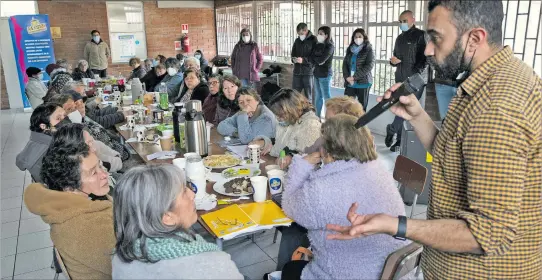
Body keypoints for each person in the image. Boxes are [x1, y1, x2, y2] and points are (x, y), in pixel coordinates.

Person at [327, 1, 542, 279]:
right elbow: (450, 156)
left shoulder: (496, 106)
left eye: (436, 38)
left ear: (475, 38)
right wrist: (416, 115)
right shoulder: (495, 80)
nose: (428, 50)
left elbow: (487, 234)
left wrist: (395, 225)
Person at [281, 114, 407, 279]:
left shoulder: (321, 189)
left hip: (347, 274)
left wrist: (303, 163)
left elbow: (289, 204)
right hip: (390, 270)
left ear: (326, 149)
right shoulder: (377, 169)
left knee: (290, 269)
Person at [111, 165, 243, 279]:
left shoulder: (121, 257)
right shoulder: (213, 265)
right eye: (184, 193)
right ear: (167, 217)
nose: (192, 194)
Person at [24, 124, 114, 279]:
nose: (104, 175)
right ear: (70, 185)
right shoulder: (90, 225)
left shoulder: (63, 206)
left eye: (100, 166)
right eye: (93, 172)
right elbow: (133, 268)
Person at [385, 10, 428, 151]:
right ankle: (398, 142)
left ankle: (391, 130)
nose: (402, 23)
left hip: (415, 80)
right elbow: (395, 57)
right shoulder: (399, 38)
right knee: (402, 110)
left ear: (413, 20)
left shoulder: (420, 36)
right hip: (400, 79)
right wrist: (393, 62)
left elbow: (424, 59)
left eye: (404, 20)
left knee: (407, 109)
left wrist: (415, 75)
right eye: (400, 21)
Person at [251, 88, 321, 167]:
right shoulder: (290, 119)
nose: (278, 119)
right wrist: (264, 142)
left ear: (292, 109)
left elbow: (310, 157)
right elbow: (281, 142)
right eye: (277, 115)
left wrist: (290, 156)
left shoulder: (310, 125)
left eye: (281, 115)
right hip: (281, 165)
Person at [16, 103, 69, 182]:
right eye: (58, 118)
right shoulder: (50, 148)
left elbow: (20, 162)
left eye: (64, 115)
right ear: (44, 126)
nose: (64, 120)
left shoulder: (38, 139)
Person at [343, 28, 375, 111]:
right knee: (347, 106)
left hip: (363, 83)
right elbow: (345, 64)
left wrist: (354, 77)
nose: (357, 38)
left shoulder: (369, 49)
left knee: (361, 109)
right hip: (350, 82)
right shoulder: (350, 49)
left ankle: (361, 124)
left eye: (360, 36)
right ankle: (349, 123)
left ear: (364, 38)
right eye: (355, 37)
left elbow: (369, 66)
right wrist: (347, 77)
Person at [310, 26, 335, 118]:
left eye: (321, 34)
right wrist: (317, 60)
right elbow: (311, 57)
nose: (319, 35)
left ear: (326, 35)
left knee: (327, 97)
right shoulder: (317, 44)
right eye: (318, 33)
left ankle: (330, 118)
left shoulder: (330, 46)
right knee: (318, 96)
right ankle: (317, 117)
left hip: (325, 74)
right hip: (316, 73)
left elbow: (321, 60)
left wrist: (317, 59)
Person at [291, 23, 316, 102]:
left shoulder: (313, 40)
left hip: (308, 72)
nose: (300, 35)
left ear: (306, 31)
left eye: (302, 33)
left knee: (308, 96)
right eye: (299, 34)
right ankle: (295, 113)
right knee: (294, 95)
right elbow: (293, 53)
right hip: (297, 72)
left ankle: (309, 113)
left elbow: (315, 57)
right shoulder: (297, 40)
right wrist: (293, 59)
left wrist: (304, 60)